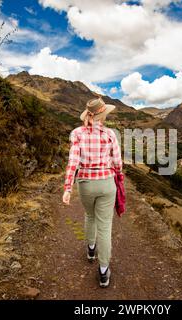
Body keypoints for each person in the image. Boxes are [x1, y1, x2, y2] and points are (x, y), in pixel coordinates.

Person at [62, 97, 123, 288]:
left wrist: (68, 188)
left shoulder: (77, 133)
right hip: (106, 184)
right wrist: (119, 175)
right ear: (103, 115)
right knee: (105, 227)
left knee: (89, 216)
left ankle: (90, 250)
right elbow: (117, 161)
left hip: (86, 183)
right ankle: (104, 271)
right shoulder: (110, 134)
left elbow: (73, 161)